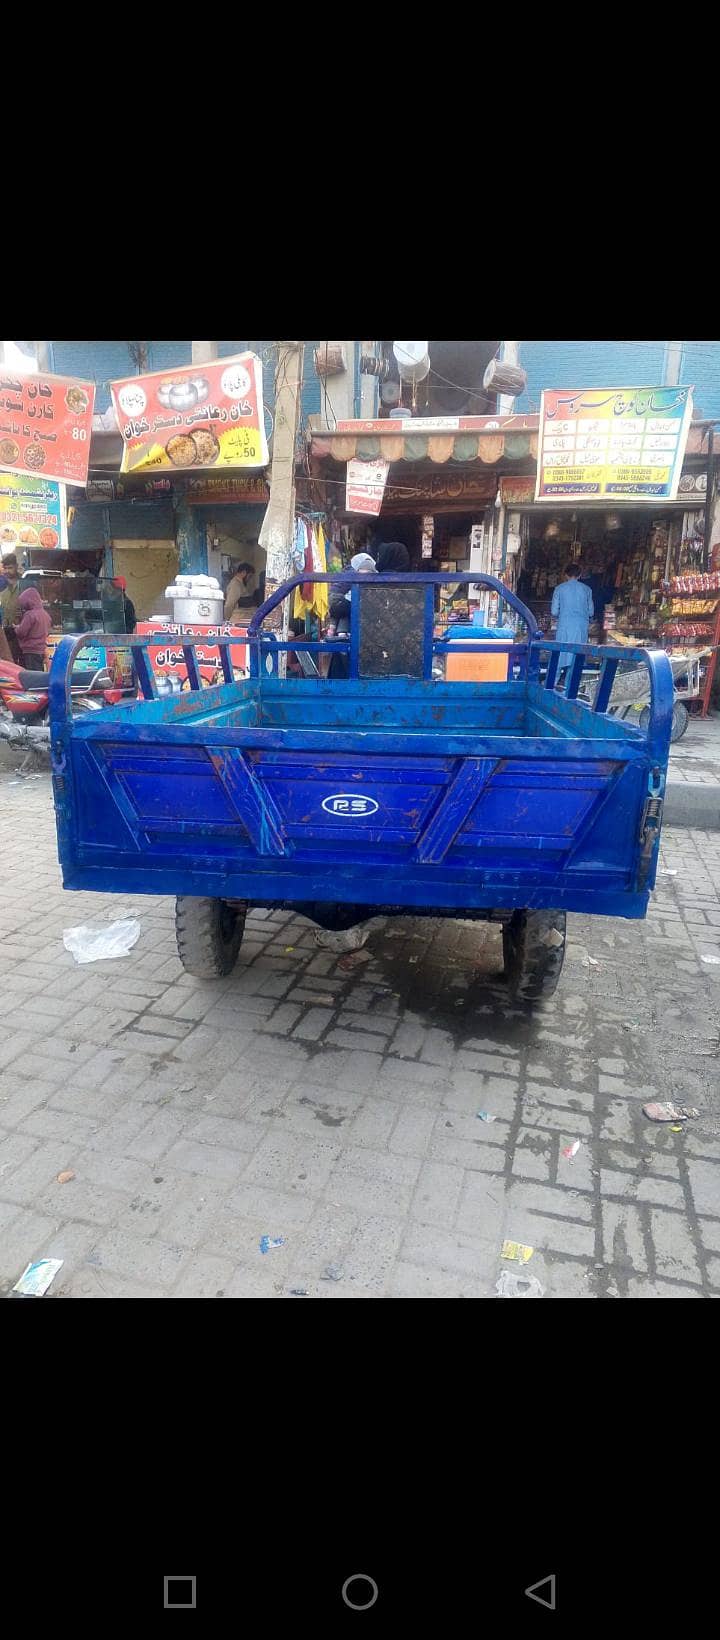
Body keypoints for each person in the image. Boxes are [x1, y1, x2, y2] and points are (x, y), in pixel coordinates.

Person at [551, 562, 594, 677]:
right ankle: (569, 688)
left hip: (564, 626)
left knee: (559, 656)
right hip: (580, 628)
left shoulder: (559, 589)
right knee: (576, 657)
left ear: (565, 575)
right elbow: (591, 612)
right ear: (580, 575)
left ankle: (552, 685)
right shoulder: (587, 590)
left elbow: (554, 612)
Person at [14, 586, 52, 671]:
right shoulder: (45, 614)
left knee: (31, 676)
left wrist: (16, 628)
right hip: (41, 650)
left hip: (30, 650)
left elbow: (21, 632)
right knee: (38, 674)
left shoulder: (29, 615)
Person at [0, 554, 23, 661]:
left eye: (10, 568)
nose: (7, 571)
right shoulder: (1, 584)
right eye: (5, 568)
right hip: (6, 630)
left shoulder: (24, 582)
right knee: (9, 661)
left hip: (22, 629)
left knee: (23, 663)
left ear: (16, 566)